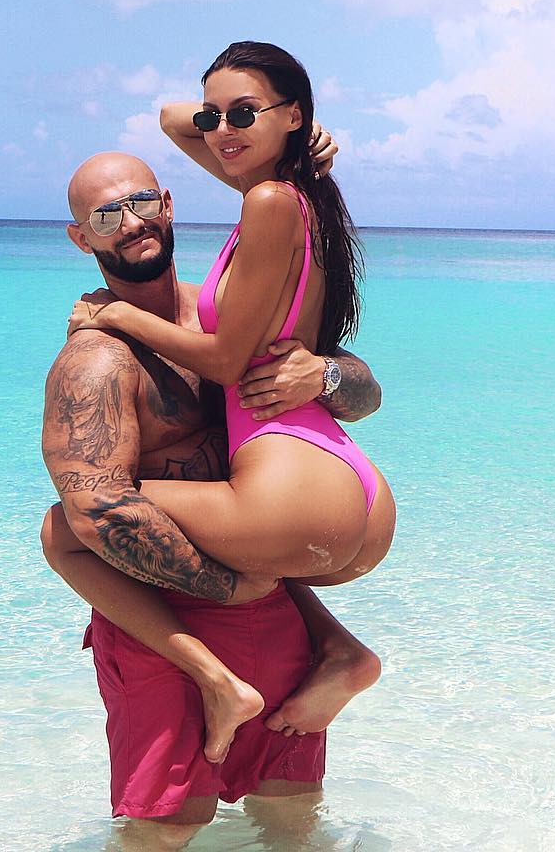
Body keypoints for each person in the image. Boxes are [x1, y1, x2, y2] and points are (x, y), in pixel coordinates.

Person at [41, 150, 383, 841]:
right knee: (182, 831)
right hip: (174, 627)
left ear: (168, 205)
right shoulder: (97, 359)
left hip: (257, 614)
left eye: (140, 202)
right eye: (106, 216)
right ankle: (336, 647)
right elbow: (100, 511)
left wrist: (321, 374)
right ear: (81, 238)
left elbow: (366, 393)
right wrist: (240, 588)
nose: (130, 222)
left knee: (284, 825)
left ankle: (332, 649)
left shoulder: (223, 320)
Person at [65, 42, 396, 738]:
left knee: (71, 525)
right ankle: (341, 649)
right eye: (213, 116)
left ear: (293, 114)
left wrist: (116, 315)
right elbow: (169, 116)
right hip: (346, 485)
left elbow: (223, 363)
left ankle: (221, 678)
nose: (220, 131)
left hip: (290, 490)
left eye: (244, 114)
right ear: (80, 236)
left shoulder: (270, 201)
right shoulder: (295, 198)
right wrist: (269, 123)